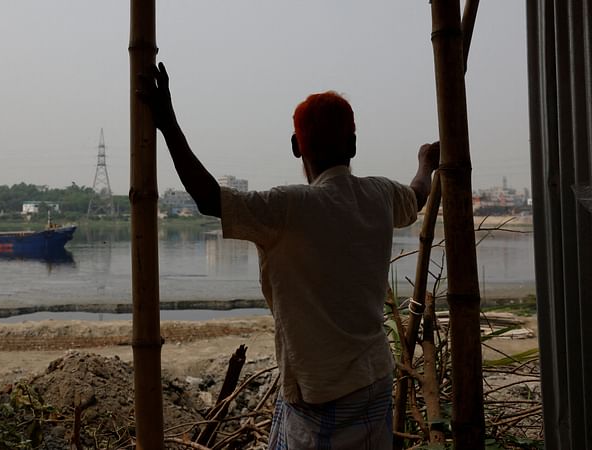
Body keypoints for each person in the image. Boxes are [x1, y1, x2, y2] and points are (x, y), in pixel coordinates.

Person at [139, 63, 440, 449]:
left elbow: (209, 198)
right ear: (352, 146)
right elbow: (417, 194)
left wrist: (167, 124)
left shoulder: (289, 208)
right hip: (374, 380)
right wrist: (426, 162)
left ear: (297, 147)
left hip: (321, 394)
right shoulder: (379, 195)